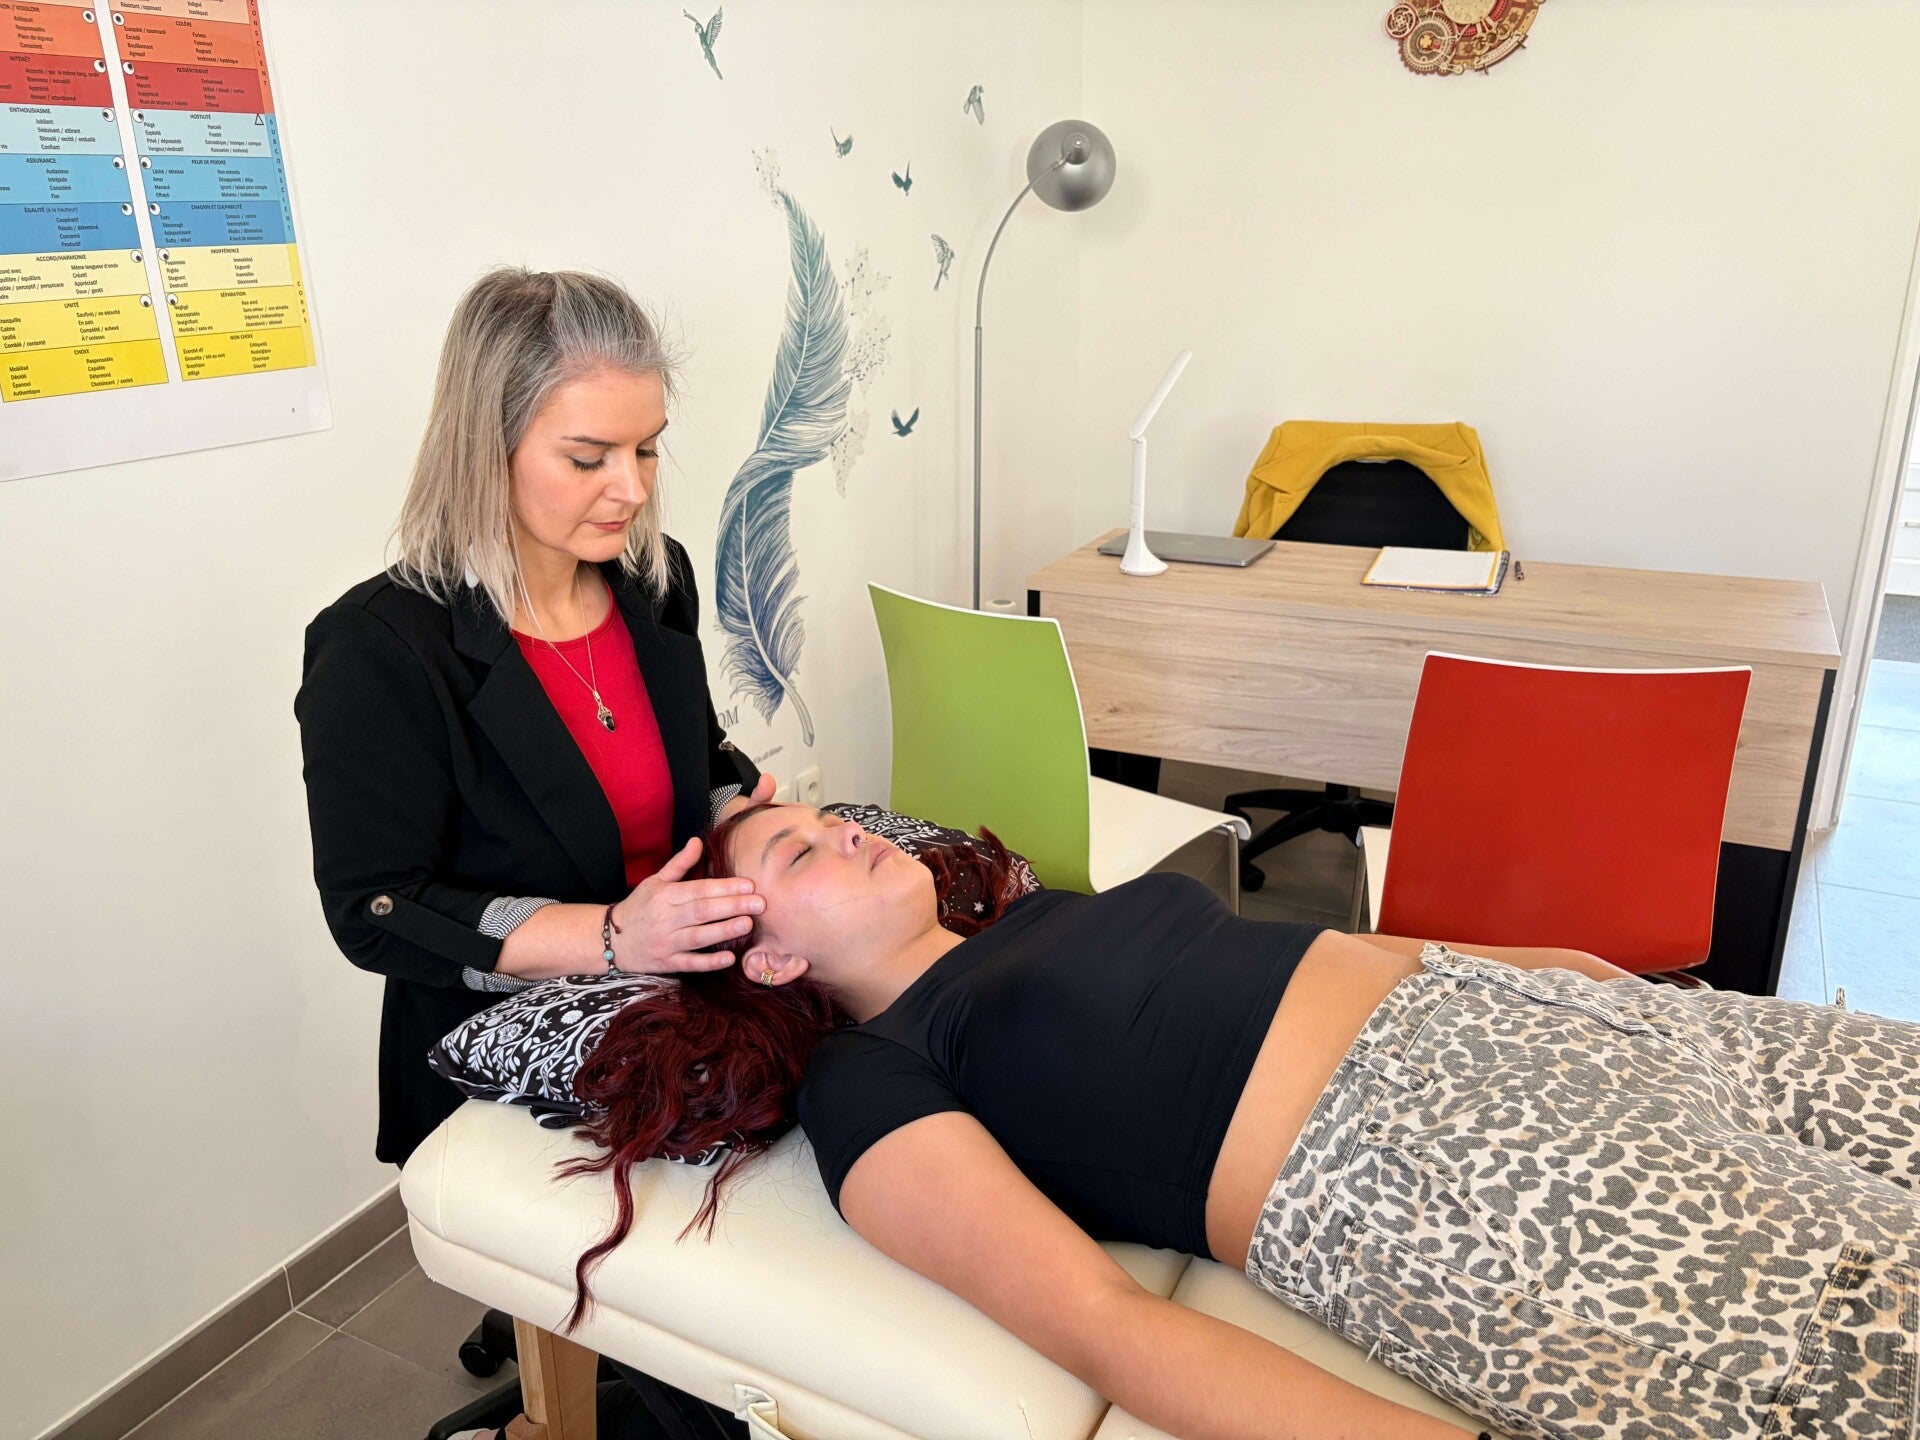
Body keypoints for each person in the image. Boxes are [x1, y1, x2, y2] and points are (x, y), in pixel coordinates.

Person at [567, 803, 1920, 1440]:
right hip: (1462, 1165)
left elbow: (1347, 949)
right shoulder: (870, 1077)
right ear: (770, 960)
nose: (853, 833)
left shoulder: (1036, 915)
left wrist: (1564, 977)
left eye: (835, 818)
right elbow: (1106, 1322)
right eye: (798, 852)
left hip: (1583, 1027)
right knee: (1876, 1326)